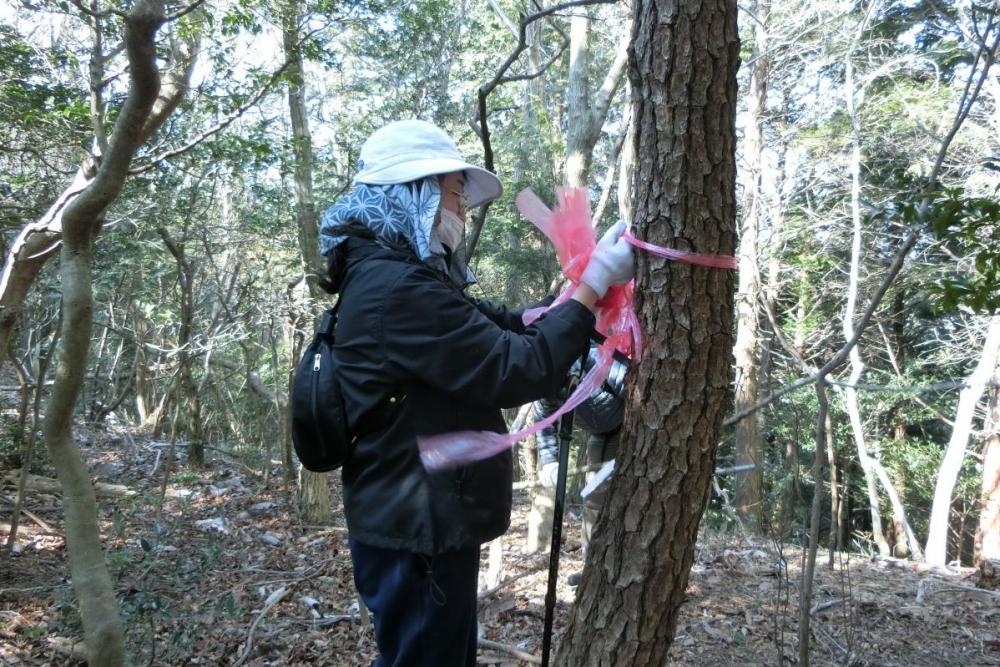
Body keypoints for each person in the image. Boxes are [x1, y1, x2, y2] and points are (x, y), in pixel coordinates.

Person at [316, 119, 635, 667]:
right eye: (455, 191)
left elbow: (500, 326)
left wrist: (567, 303)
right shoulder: (397, 289)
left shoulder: (398, 274)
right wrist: (593, 284)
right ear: (413, 193)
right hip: (415, 529)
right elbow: (514, 369)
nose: (462, 210)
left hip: (419, 520)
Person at [526, 344, 628, 572]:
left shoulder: (596, 359)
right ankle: (591, 568)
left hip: (629, 431)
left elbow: (637, 391)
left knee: (626, 498)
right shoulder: (545, 387)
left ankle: (617, 564)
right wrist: (551, 462)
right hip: (601, 438)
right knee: (593, 497)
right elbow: (544, 424)